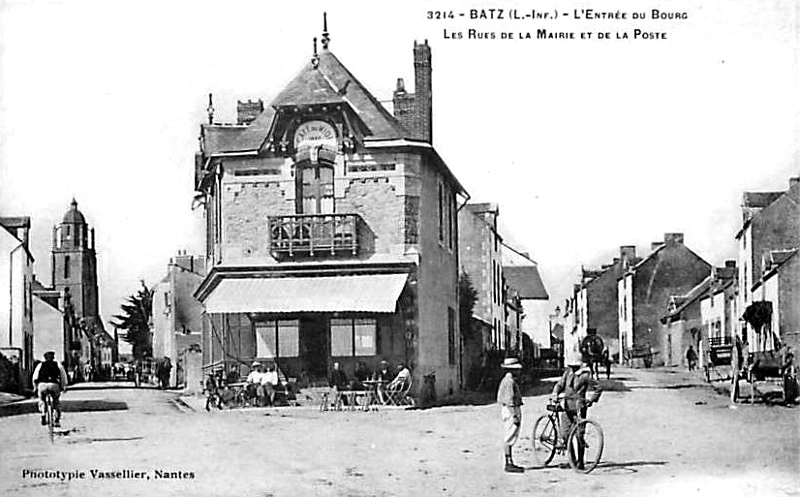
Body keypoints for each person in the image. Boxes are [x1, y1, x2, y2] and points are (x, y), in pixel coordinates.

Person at [552, 357, 603, 469]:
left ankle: (580, 462)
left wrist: (592, 400)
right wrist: (555, 392)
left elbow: (598, 387)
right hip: (566, 407)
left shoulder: (584, 376)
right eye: (571, 366)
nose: (572, 368)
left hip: (579, 408)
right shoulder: (567, 374)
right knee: (565, 434)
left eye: (574, 366)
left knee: (579, 435)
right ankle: (572, 460)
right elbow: (559, 385)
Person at [496, 357, 524, 473]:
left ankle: (510, 461)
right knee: (509, 436)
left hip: (510, 409)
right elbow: (509, 400)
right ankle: (508, 462)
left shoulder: (508, 380)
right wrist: (515, 416)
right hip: (510, 410)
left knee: (511, 435)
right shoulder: (509, 382)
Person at [32, 351, 69, 428]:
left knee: (42, 400)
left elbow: (35, 378)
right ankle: (56, 419)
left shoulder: (40, 365)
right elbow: (63, 377)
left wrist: (35, 388)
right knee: (56, 401)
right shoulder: (58, 365)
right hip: (54, 385)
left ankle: (43, 414)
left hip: (42, 385)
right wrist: (63, 387)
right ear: (53, 357)